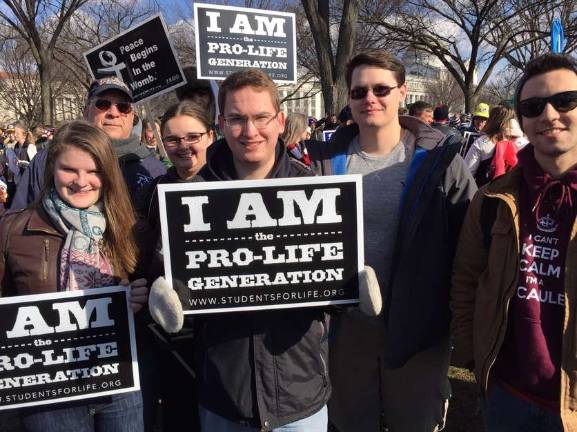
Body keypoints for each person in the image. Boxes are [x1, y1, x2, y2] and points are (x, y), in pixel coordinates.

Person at [307, 49, 477, 432]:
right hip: (345, 329)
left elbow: (468, 246)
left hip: (419, 326)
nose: (369, 98)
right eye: (359, 91)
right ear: (348, 99)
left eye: (381, 89)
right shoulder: (322, 162)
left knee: (414, 423)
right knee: (351, 424)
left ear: (402, 93)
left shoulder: (442, 161)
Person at [162, 69, 329, 431]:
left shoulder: (315, 190)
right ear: (221, 124)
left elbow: (331, 294)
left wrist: (350, 284)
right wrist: (165, 286)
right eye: (237, 119)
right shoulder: (189, 198)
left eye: (260, 117)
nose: (250, 131)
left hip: (298, 395)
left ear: (280, 121)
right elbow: (179, 285)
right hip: (225, 396)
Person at [451, 53, 577, 431]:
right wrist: (473, 356)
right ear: (521, 119)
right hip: (507, 395)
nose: (549, 114)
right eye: (534, 106)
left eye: (566, 101)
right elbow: (465, 281)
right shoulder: (491, 200)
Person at [0, 120, 148, 431]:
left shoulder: (130, 227)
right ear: (51, 168)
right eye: (70, 170)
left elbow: (154, 297)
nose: (82, 181)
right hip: (50, 394)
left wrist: (139, 300)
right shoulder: (13, 230)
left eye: (94, 171)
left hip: (118, 384)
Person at [135, 100, 215, 432]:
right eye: (173, 140)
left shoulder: (230, 181)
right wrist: (141, 283)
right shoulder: (156, 189)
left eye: (192, 137)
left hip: (223, 333)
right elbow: (145, 253)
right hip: (174, 333)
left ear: (211, 136)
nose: (183, 147)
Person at [10, 76, 166, 210]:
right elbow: (19, 222)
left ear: (132, 118)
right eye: (103, 104)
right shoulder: (47, 160)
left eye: (123, 107)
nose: (113, 113)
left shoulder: (153, 169)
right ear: (86, 112)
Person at [464, 105, 527, 185]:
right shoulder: (524, 143)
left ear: (491, 120)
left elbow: (467, 173)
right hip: (514, 193)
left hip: (485, 191)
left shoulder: (482, 142)